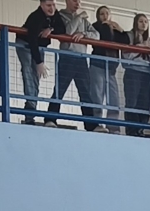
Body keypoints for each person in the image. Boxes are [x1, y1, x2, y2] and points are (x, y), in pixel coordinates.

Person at [49, 0, 100, 131]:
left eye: (78, 1)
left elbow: (97, 35)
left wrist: (84, 34)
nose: (77, 3)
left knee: (85, 92)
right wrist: (79, 16)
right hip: (67, 57)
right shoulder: (60, 16)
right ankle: (50, 119)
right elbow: (68, 31)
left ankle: (91, 125)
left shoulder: (84, 20)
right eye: (74, 0)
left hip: (81, 58)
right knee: (59, 89)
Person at [18, 0, 68, 125]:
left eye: (54, 5)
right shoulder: (36, 17)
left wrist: (50, 29)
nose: (52, 8)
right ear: (41, 5)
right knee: (28, 73)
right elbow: (32, 40)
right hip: (25, 44)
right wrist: (39, 62)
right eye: (48, 5)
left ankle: (30, 111)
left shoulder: (55, 14)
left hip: (39, 46)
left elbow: (62, 29)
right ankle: (30, 113)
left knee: (35, 77)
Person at [90, 6, 126, 130]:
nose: (105, 16)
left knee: (114, 98)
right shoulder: (95, 26)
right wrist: (106, 26)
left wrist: (120, 30)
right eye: (102, 14)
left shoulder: (115, 28)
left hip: (111, 68)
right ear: (98, 16)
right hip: (98, 65)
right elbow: (106, 37)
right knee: (97, 96)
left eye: (107, 13)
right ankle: (98, 124)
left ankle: (113, 126)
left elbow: (125, 41)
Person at [122, 14, 150, 136]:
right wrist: (139, 48)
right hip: (133, 71)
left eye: (146, 21)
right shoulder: (129, 36)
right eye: (141, 21)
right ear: (136, 23)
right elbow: (126, 56)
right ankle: (131, 130)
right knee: (132, 102)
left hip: (146, 73)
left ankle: (141, 129)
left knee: (145, 103)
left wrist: (147, 50)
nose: (143, 24)